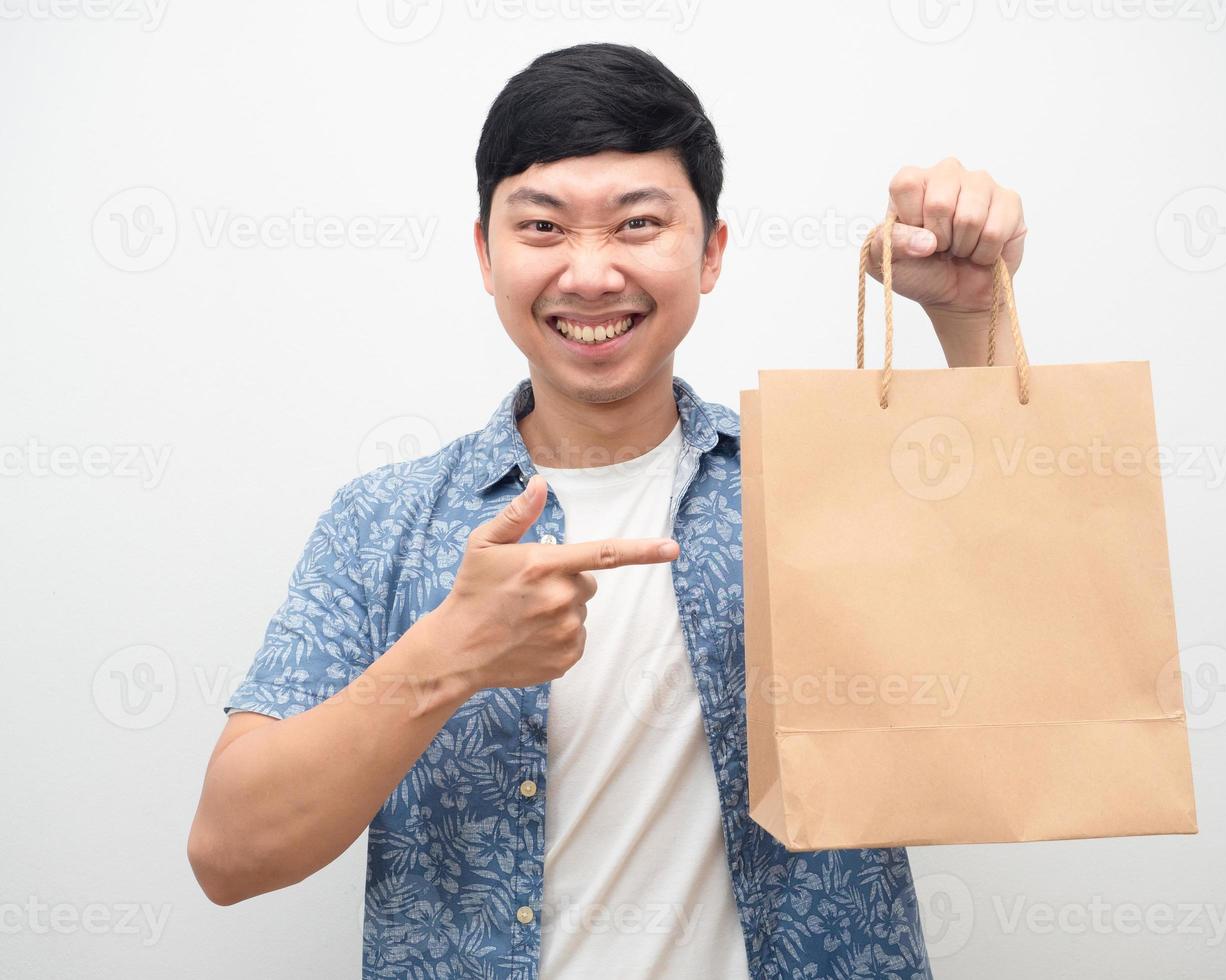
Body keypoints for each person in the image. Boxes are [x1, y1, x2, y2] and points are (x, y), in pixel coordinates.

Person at [187, 41, 1026, 979]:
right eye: (542, 229)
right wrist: (446, 655)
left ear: (709, 252)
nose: (589, 275)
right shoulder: (383, 522)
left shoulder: (813, 485)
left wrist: (966, 317)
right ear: (485, 253)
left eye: (637, 224)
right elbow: (230, 855)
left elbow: (1022, 639)